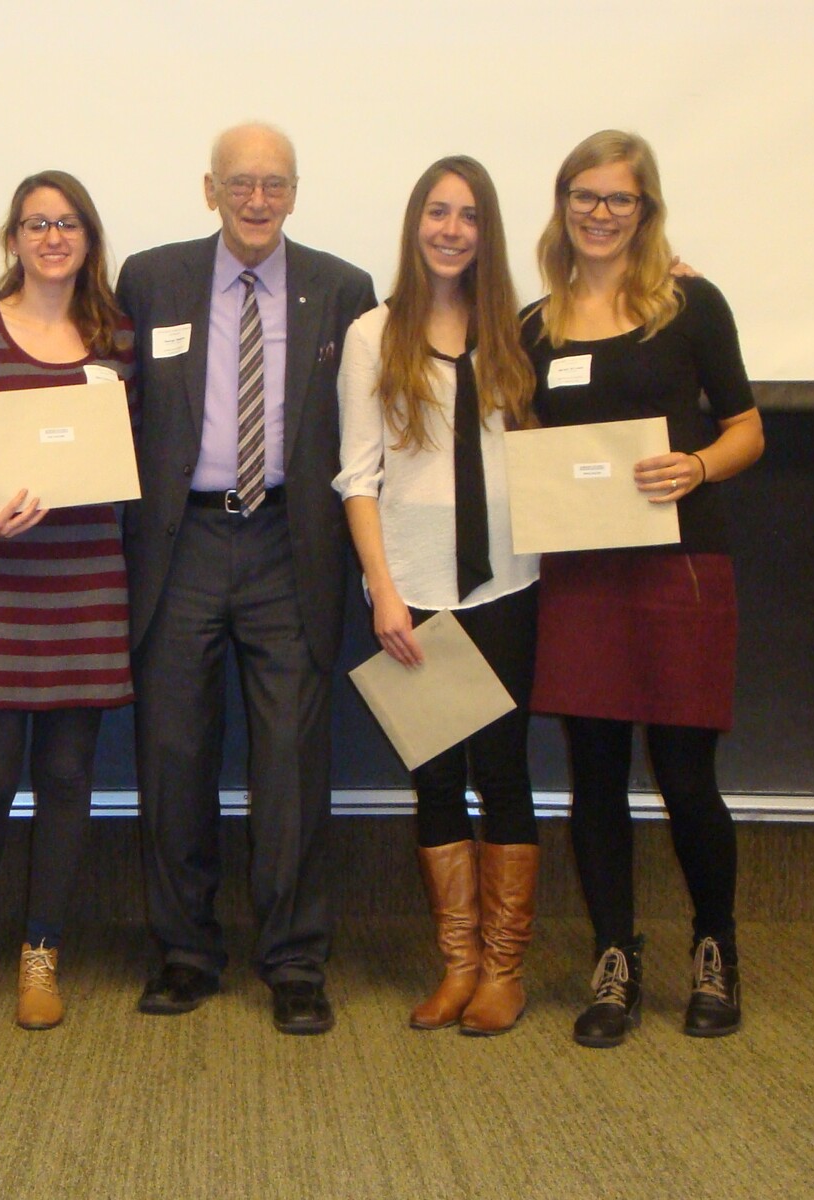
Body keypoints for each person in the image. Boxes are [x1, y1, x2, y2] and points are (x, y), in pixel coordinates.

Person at [115, 122, 375, 1032]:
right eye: (240, 184)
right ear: (209, 189)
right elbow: (92, 370)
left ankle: (296, 959)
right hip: (181, 543)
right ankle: (183, 951)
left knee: (293, 761)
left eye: (274, 184)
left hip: (288, 543)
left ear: (295, 193)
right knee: (173, 751)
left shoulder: (344, 290)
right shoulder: (151, 280)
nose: (257, 200)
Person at [522, 130, 763, 1047]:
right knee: (593, 778)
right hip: (581, 574)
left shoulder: (691, 306)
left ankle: (716, 947)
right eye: (584, 195)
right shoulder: (534, 328)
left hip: (680, 567)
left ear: (645, 210)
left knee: (687, 775)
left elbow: (747, 431)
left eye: (618, 199)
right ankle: (614, 957)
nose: (599, 213)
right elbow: (523, 442)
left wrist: (697, 466)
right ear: (563, 203)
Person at [0, 170, 135, 1031]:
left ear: (88, 238)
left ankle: (42, 950)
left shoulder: (116, 338)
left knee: (68, 777)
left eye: (69, 223)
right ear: (12, 238)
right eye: (36, 223)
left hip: (86, 581)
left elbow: (136, 452)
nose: (52, 237)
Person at [334, 157, 541, 1035]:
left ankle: (504, 969)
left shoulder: (525, 333)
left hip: (508, 583)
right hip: (412, 588)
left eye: (468, 216)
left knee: (505, 773)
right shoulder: (372, 334)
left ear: (486, 233)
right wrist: (381, 591)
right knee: (436, 781)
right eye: (436, 212)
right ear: (415, 223)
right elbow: (357, 475)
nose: (451, 229)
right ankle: (457, 965)